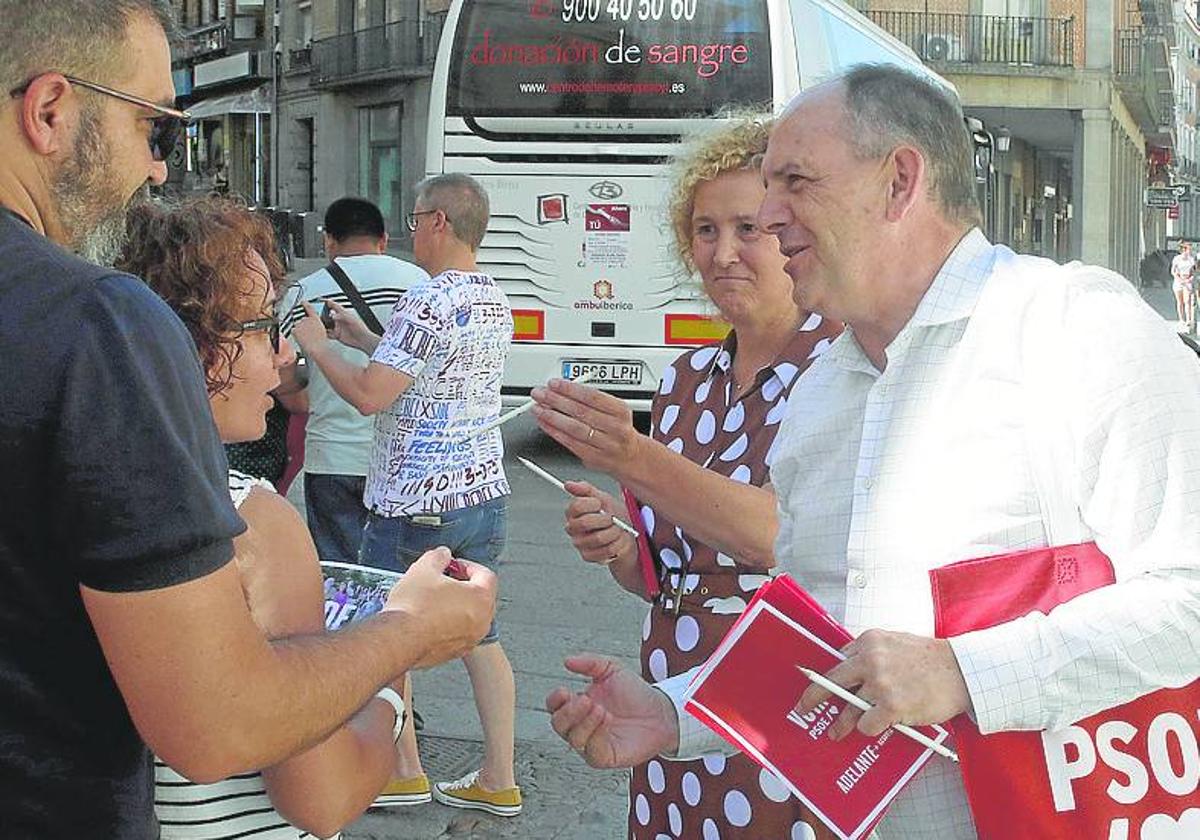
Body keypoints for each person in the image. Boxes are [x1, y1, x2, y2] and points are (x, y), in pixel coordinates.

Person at [544, 64, 1200, 838]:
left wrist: (963, 673)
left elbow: (1187, 599)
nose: (769, 212)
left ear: (899, 181)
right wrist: (675, 714)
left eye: (794, 182)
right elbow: (827, 654)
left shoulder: (1075, 331)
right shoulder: (823, 392)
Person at [0, 4, 495, 836]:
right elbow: (216, 726)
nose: (160, 170)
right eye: (155, 128)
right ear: (51, 111)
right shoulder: (93, 323)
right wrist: (403, 637)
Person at [531, 116, 842, 839]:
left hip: (784, 699)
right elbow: (663, 574)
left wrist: (636, 458)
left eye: (747, 228)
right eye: (705, 231)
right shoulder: (684, 382)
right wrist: (618, 543)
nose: (723, 253)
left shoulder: (841, 371)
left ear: (793, 234)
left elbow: (782, 539)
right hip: (666, 695)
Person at [119, 196, 406, 839]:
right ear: (190, 343)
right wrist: (394, 670)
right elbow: (321, 797)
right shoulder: (249, 519)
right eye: (257, 327)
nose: (282, 357)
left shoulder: (83, 484)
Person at [292, 173, 521, 816]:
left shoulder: (430, 299)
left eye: (418, 217)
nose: (411, 229)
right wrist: (358, 340)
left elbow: (369, 397)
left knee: (388, 631)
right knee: (484, 635)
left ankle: (404, 768)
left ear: (441, 222)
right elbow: (419, 370)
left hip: (414, 499)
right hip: (481, 491)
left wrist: (314, 345)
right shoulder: (489, 296)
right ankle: (499, 777)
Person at [277, 196, 428, 566]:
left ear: (329, 240)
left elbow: (283, 380)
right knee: (400, 577)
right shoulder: (420, 284)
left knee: (341, 574)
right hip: (405, 459)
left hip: (333, 457)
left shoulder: (304, 292)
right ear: (384, 238)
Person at [1171, 240, 1196, 332]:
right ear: (1184, 250)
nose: (1190, 251)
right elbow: (1173, 271)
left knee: (1187, 301)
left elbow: (1193, 271)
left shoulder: (1191, 259)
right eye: (1189, 249)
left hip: (1187, 280)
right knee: (1180, 301)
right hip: (1178, 281)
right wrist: (1179, 279)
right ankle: (1181, 319)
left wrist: (1190, 279)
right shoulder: (1177, 259)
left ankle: (1188, 319)